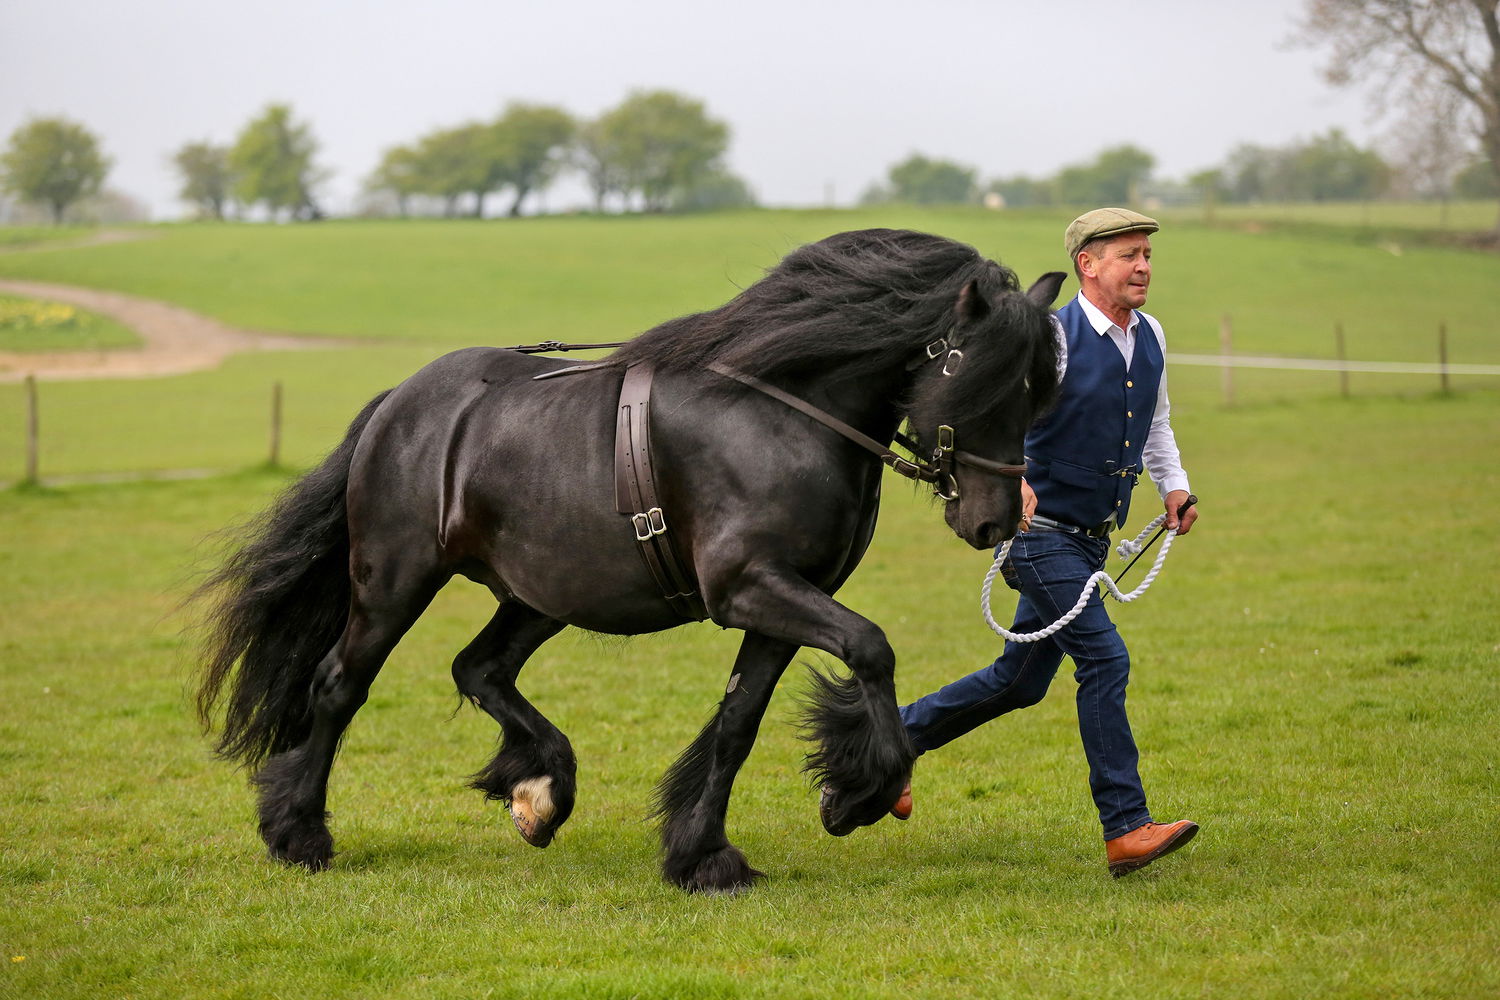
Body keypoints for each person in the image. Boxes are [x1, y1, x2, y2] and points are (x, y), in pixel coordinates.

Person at [897, 207, 1200, 877]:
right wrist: (1019, 480)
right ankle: (1127, 827)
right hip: (1037, 536)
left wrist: (1173, 486)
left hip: (1093, 540)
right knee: (1105, 659)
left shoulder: (1151, 334)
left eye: (1147, 254)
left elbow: (1155, 423)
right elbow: (991, 413)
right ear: (1088, 265)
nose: (1144, 266)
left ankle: (888, 739)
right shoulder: (1053, 339)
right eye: (1130, 254)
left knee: (1018, 683)